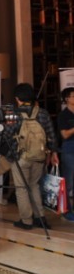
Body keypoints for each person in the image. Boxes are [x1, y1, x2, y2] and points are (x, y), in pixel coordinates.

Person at [3, 83, 59, 230]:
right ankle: (40, 218)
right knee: (34, 185)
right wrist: (53, 153)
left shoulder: (13, 114)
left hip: (20, 157)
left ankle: (26, 221)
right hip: (39, 156)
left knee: (21, 188)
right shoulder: (43, 113)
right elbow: (51, 135)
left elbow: (6, 135)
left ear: (17, 98)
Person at [57, 87, 74, 222]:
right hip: (69, 149)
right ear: (67, 99)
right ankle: (66, 210)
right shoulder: (63, 115)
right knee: (68, 182)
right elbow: (64, 134)